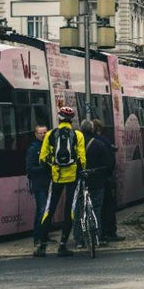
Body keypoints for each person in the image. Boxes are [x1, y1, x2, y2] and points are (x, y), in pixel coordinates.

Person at [36, 106, 87, 257]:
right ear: (72, 120)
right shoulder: (77, 135)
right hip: (72, 177)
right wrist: (81, 172)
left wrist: (52, 170)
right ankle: (63, 245)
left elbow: (42, 158)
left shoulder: (50, 134)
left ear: (59, 119)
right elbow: (82, 158)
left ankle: (42, 246)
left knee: (48, 210)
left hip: (56, 176)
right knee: (69, 211)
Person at [77, 119, 114, 247]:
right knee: (96, 209)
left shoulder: (75, 143)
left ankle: (79, 240)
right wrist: (105, 176)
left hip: (79, 181)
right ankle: (97, 238)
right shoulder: (99, 144)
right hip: (97, 181)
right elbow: (109, 164)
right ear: (92, 129)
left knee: (79, 211)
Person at [93, 119, 121, 241]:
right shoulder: (104, 141)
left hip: (90, 178)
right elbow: (110, 162)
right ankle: (110, 232)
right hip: (104, 178)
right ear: (100, 129)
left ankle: (98, 233)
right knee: (108, 206)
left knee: (96, 207)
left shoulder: (85, 140)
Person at [25, 123, 50, 248]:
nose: (43, 135)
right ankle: (38, 236)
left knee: (45, 210)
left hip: (47, 183)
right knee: (41, 210)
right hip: (39, 183)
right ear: (36, 134)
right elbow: (30, 168)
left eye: (45, 132)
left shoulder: (48, 146)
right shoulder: (34, 148)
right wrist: (44, 168)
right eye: (40, 133)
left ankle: (44, 235)